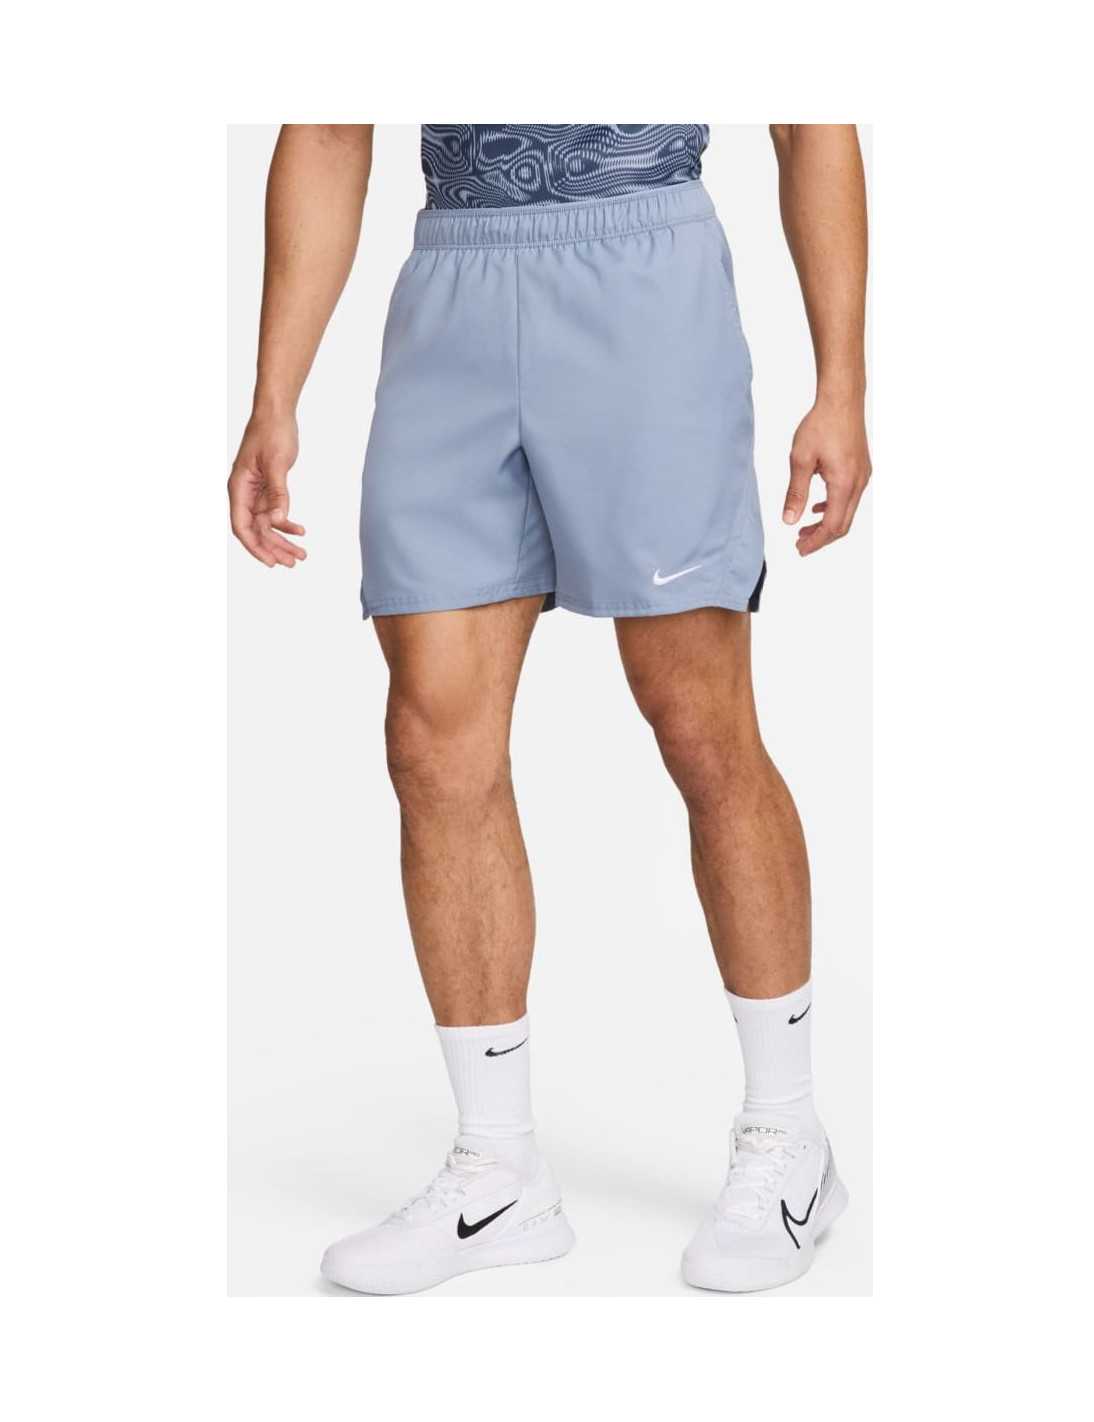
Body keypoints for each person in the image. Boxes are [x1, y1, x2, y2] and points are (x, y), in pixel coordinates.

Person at [229, 124, 871, 1295]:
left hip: (642, 270)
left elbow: (809, 118)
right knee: (431, 742)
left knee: (697, 719)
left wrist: (840, 383)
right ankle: (497, 1172)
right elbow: (324, 125)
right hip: (452, 285)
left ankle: (789, 1138)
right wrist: (275, 394)